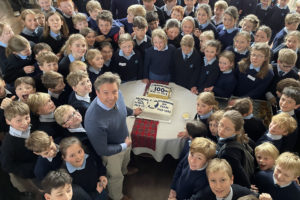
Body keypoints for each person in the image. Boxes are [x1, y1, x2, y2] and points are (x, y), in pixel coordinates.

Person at [84, 72, 142, 200]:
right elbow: (102, 150)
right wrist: (124, 145)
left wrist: (132, 112)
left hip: (125, 140)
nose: (111, 97)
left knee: (125, 161)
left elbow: (121, 107)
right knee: (115, 177)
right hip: (112, 153)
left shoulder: (118, 94)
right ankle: (117, 196)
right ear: (97, 92)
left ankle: (125, 170)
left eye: (114, 91)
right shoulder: (93, 120)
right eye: (105, 93)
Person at [1, 101, 40, 196]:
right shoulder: (9, 144)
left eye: (27, 118)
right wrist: (29, 170)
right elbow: (7, 165)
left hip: (41, 162)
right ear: (8, 121)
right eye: (19, 120)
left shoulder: (33, 127)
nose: (25, 123)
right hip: (30, 173)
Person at [216, 110, 251, 188]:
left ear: (237, 131)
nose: (221, 130)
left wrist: (248, 188)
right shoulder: (226, 138)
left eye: (227, 129)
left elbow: (241, 176)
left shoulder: (229, 153)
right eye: (221, 125)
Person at [191, 158, 257, 200]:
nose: (218, 186)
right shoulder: (205, 195)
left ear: (231, 179)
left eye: (223, 180)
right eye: (213, 181)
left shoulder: (244, 193)